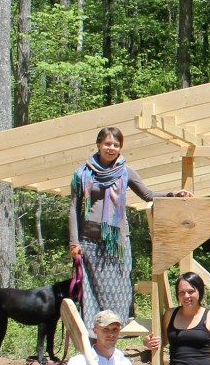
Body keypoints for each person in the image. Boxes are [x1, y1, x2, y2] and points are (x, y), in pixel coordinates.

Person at [69, 127, 191, 325]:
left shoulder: (125, 172)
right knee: (90, 292)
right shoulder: (81, 174)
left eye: (115, 145)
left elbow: (148, 195)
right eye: (107, 144)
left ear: (120, 148)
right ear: (98, 145)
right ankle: (93, 338)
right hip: (89, 242)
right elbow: (73, 209)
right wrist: (74, 242)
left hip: (117, 243)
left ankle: (115, 331)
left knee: (118, 289)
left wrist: (173, 194)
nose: (111, 148)